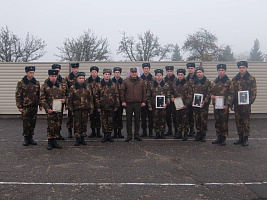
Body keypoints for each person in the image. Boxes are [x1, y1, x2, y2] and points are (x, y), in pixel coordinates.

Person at [231, 61, 257, 146]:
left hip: (246, 104)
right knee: (238, 121)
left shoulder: (251, 78)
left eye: (243, 67)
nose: (241, 69)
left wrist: (249, 102)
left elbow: (253, 92)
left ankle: (246, 138)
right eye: (240, 68)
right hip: (237, 104)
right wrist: (231, 104)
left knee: (246, 121)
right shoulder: (235, 79)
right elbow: (232, 92)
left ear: (246, 68)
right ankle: (240, 137)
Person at [15, 66, 42, 146]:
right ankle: (26, 138)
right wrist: (19, 106)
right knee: (26, 123)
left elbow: (39, 95)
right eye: (30, 73)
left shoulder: (36, 83)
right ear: (26, 73)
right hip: (25, 106)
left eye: (33, 72)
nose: (32, 74)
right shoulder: (21, 83)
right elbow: (18, 95)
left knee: (33, 122)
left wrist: (40, 105)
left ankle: (31, 138)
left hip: (34, 106)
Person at [40, 69, 66, 150]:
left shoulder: (60, 85)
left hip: (58, 110)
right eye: (52, 76)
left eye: (55, 76)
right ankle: (50, 142)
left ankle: (55, 141)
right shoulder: (44, 86)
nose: (54, 78)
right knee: (51, 126)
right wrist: (47, 108)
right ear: (49, 76)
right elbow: (42, 99)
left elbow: (65, 95)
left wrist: (63, 100)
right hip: (50, 110)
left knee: (57, 125)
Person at [120, 67, 146, 142]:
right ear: (130, 73)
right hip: (129, 104)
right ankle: (129, 135)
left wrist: (144, 101)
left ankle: (137, 134)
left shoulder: (141, 81)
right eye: (132, 72)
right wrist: (123, 101)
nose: (134, 73)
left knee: (137, 120)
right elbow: (122, 92)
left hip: (138, 103)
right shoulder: (126, 81)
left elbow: (144, 92)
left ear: (137, 73)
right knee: (129, 120)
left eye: (135, 72)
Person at [68, 72, 93, 146]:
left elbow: (90, 98)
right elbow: (70, 100)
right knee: (77, 124)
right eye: (80, 78)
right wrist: (71, 109)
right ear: (77, 78)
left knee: (84, 124)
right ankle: (77, 138)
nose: (81, 80)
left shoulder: (87, 87)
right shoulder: (73, 87)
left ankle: (82, 138)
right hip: (77, 109)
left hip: (85, 109)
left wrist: (91, 108)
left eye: (83, 78)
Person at [210, 64, 233, 146]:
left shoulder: (229, 82)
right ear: (217, 71)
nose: (221, 72)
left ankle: (223, 138)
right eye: (219, 70)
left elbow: (231, 94)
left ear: (225, 71)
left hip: (224, 106)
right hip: (216, 105)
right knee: (217, 121)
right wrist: (211, 96)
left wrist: (227, 104)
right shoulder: (215, 82)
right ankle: (218, 136)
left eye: (222, 70)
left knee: (224, 122)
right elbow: (211, 92)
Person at [96, 69, 120, 142]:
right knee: (104, 121)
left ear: (110, 75)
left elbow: (117, 96)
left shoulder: (113, 84)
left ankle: (109, 135)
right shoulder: (99, 84)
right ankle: (105, 135)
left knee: (110, 121)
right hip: (103, 106)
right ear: (103, 75)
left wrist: (116, 106)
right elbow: (96, 96)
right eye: (105, 74)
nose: (107, 75)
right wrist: (98, 106)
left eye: (108, 74)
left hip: (111, 106)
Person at [147, 69, 170, 139]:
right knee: (156, 119)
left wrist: (167, 103)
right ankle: (157, 133)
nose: (159, 76)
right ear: (155, 76)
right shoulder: (152, 85)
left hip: (163, 106)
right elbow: (148, 96)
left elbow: (168, 96)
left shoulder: (166, 85)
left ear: (162, 76)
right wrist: (149, 105)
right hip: (155, 106)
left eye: (160, 75)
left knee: (163, 119)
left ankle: (162, 132)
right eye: (157, 75)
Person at [171, 69, 192, 141]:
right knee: (178, 119)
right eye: (179, 75)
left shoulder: (187, 83)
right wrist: (172, 97)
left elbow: (190, 95)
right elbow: (172, 92)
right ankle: (179, 132)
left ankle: (185, 133)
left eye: (181, 75)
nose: (180, 76)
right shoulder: (175, 83)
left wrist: (187, 104)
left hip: (184, 105)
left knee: (185, 120)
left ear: (184, 75)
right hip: (177, 105)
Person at [192, 66, 211, 142]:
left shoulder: (207, 82)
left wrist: (204, 101)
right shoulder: (194, 81)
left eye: (200, 72)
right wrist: (192, 101)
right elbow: (191, 92)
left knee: (203, 119)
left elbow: (209, 93)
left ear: (203, 73)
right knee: (197, 119)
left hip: (204, 105)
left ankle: (203, 134)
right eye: (197, 72)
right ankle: (198, 133)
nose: (198, 74)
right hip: (196, 104)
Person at [65, 63, 80, 138]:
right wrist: (67, 103)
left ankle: (78, 131)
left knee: (78, 117)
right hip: (71, 100)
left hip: (78, 101)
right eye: (74, 68)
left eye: (77, 68)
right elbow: (65, 90)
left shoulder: (80, 77)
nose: (76, 70)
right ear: (72, 69)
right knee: (70, 117)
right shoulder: (68, 78)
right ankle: (69, 131)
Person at [87, 66, 102, 138]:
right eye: (92, 72)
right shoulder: (87, 81)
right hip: (90, 102)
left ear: (97, 73)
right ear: (90, 73)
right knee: (92, 117)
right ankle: (93, 131)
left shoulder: (101, 81)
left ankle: (98, 132)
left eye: (95, 72)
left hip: (98, 102)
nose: (94, 73)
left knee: (98, 117)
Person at [140, 63, 154, 137]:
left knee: (151, 118)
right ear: (143, 69)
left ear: (149, 69)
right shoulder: (140, 79)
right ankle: (144, 131)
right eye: (145, 68)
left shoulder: (153, 79)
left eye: (147, 68)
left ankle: (151, 131)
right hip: (142, 101)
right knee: (143, 118)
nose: (146, 70)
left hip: (151, 102)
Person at [164, 66, 177, 136]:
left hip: (175, 101)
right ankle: (169, 129)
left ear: (173, 71)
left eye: (170, 71)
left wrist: (174, 97)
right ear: (166, 72)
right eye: (168, 71)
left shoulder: (176, 80)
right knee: (167, 116)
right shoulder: (164, 80)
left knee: (175, 116)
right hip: (166, 101)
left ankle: (176, 130)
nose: (169, 73)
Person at [111, 67, 124, 138]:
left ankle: (119, 132)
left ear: (120, 74)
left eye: (118, 73)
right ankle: (114, 132)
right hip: (113, 103)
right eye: (116, 72)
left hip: (121, 103)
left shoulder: (123, 82)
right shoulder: (111, 82)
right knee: (114, 118)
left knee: (120, 118)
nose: (117, 74)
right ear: (114, 73)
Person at [186, 63, 197, 137]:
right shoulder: (186, 78)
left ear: (194, 69)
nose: (190, 69)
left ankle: (199, 131)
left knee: (197, 116)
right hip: (188, 100)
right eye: (189, 68)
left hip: (196, 100)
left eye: (192, 68)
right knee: (189, 115)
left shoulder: (197, 78)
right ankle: (191, 129)